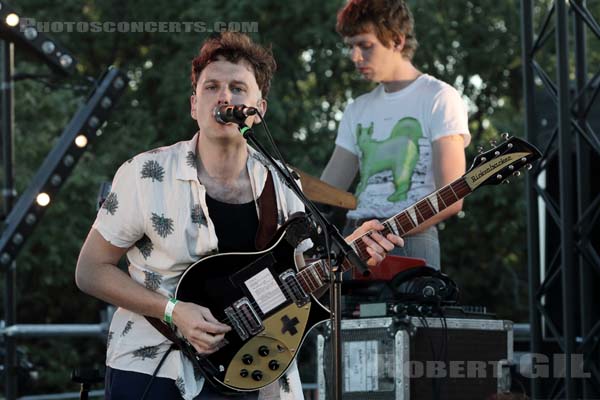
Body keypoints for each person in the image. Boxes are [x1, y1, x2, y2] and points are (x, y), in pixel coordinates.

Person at [75, 32, 403, 400]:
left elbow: (304, 279)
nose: (224, 96)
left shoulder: (283, 183)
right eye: (212, 86)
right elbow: (90, 271)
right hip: (153, 366)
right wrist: (172, 311)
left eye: (237, 88)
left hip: (253, 368)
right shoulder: (145, 174)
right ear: (193, 104)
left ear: (259, 108)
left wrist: (348, 255)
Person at [320, 0, 471, 270]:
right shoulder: (358, 108)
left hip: (410, 239)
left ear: (397, 41)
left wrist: (384, 231)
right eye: (350, 46)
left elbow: (452, 197)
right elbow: (327, 192)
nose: (355, 57)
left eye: (365, 45)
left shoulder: (439, 97)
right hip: (354, 240)